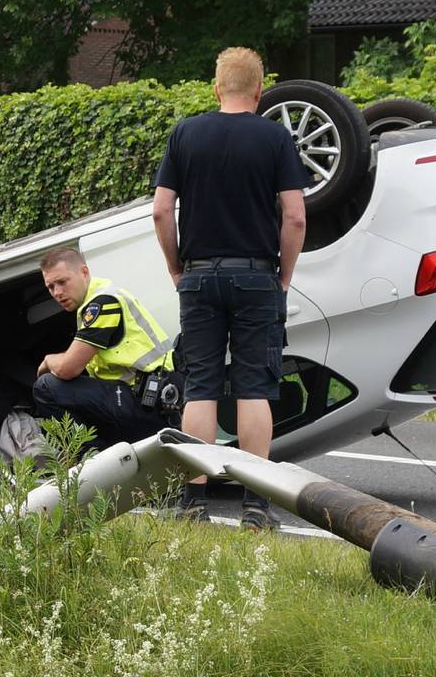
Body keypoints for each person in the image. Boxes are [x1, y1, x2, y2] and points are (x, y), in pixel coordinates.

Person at [151, 47, 309, 530]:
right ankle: (256, 506)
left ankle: (192, 503)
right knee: (253, 387)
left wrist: (179, 270)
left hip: (198, 275)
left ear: (217, 87)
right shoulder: (275, 138)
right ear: (259, 91)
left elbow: (160, 210)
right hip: (257, 275)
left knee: (199, 385)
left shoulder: (186, 134)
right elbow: (296, 215)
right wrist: (282, 275)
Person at [32, 247, 176, 452]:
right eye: (50, 287)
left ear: (84, 272)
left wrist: (47, 361)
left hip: (146, 403)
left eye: (62, 282)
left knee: (46, 387)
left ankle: (91, 461)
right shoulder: (99, 300)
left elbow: (67, 368)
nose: (57, 293)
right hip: (146, 399)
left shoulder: (103, 303)